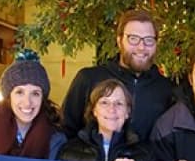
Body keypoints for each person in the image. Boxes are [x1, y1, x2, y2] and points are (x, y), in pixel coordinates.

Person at [62, 9, 173, 141]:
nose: (141, 47)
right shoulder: (89, 79)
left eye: (148, 40)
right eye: (133, 39)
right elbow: (66, 130)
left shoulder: (167, 89)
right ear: (119, 41)